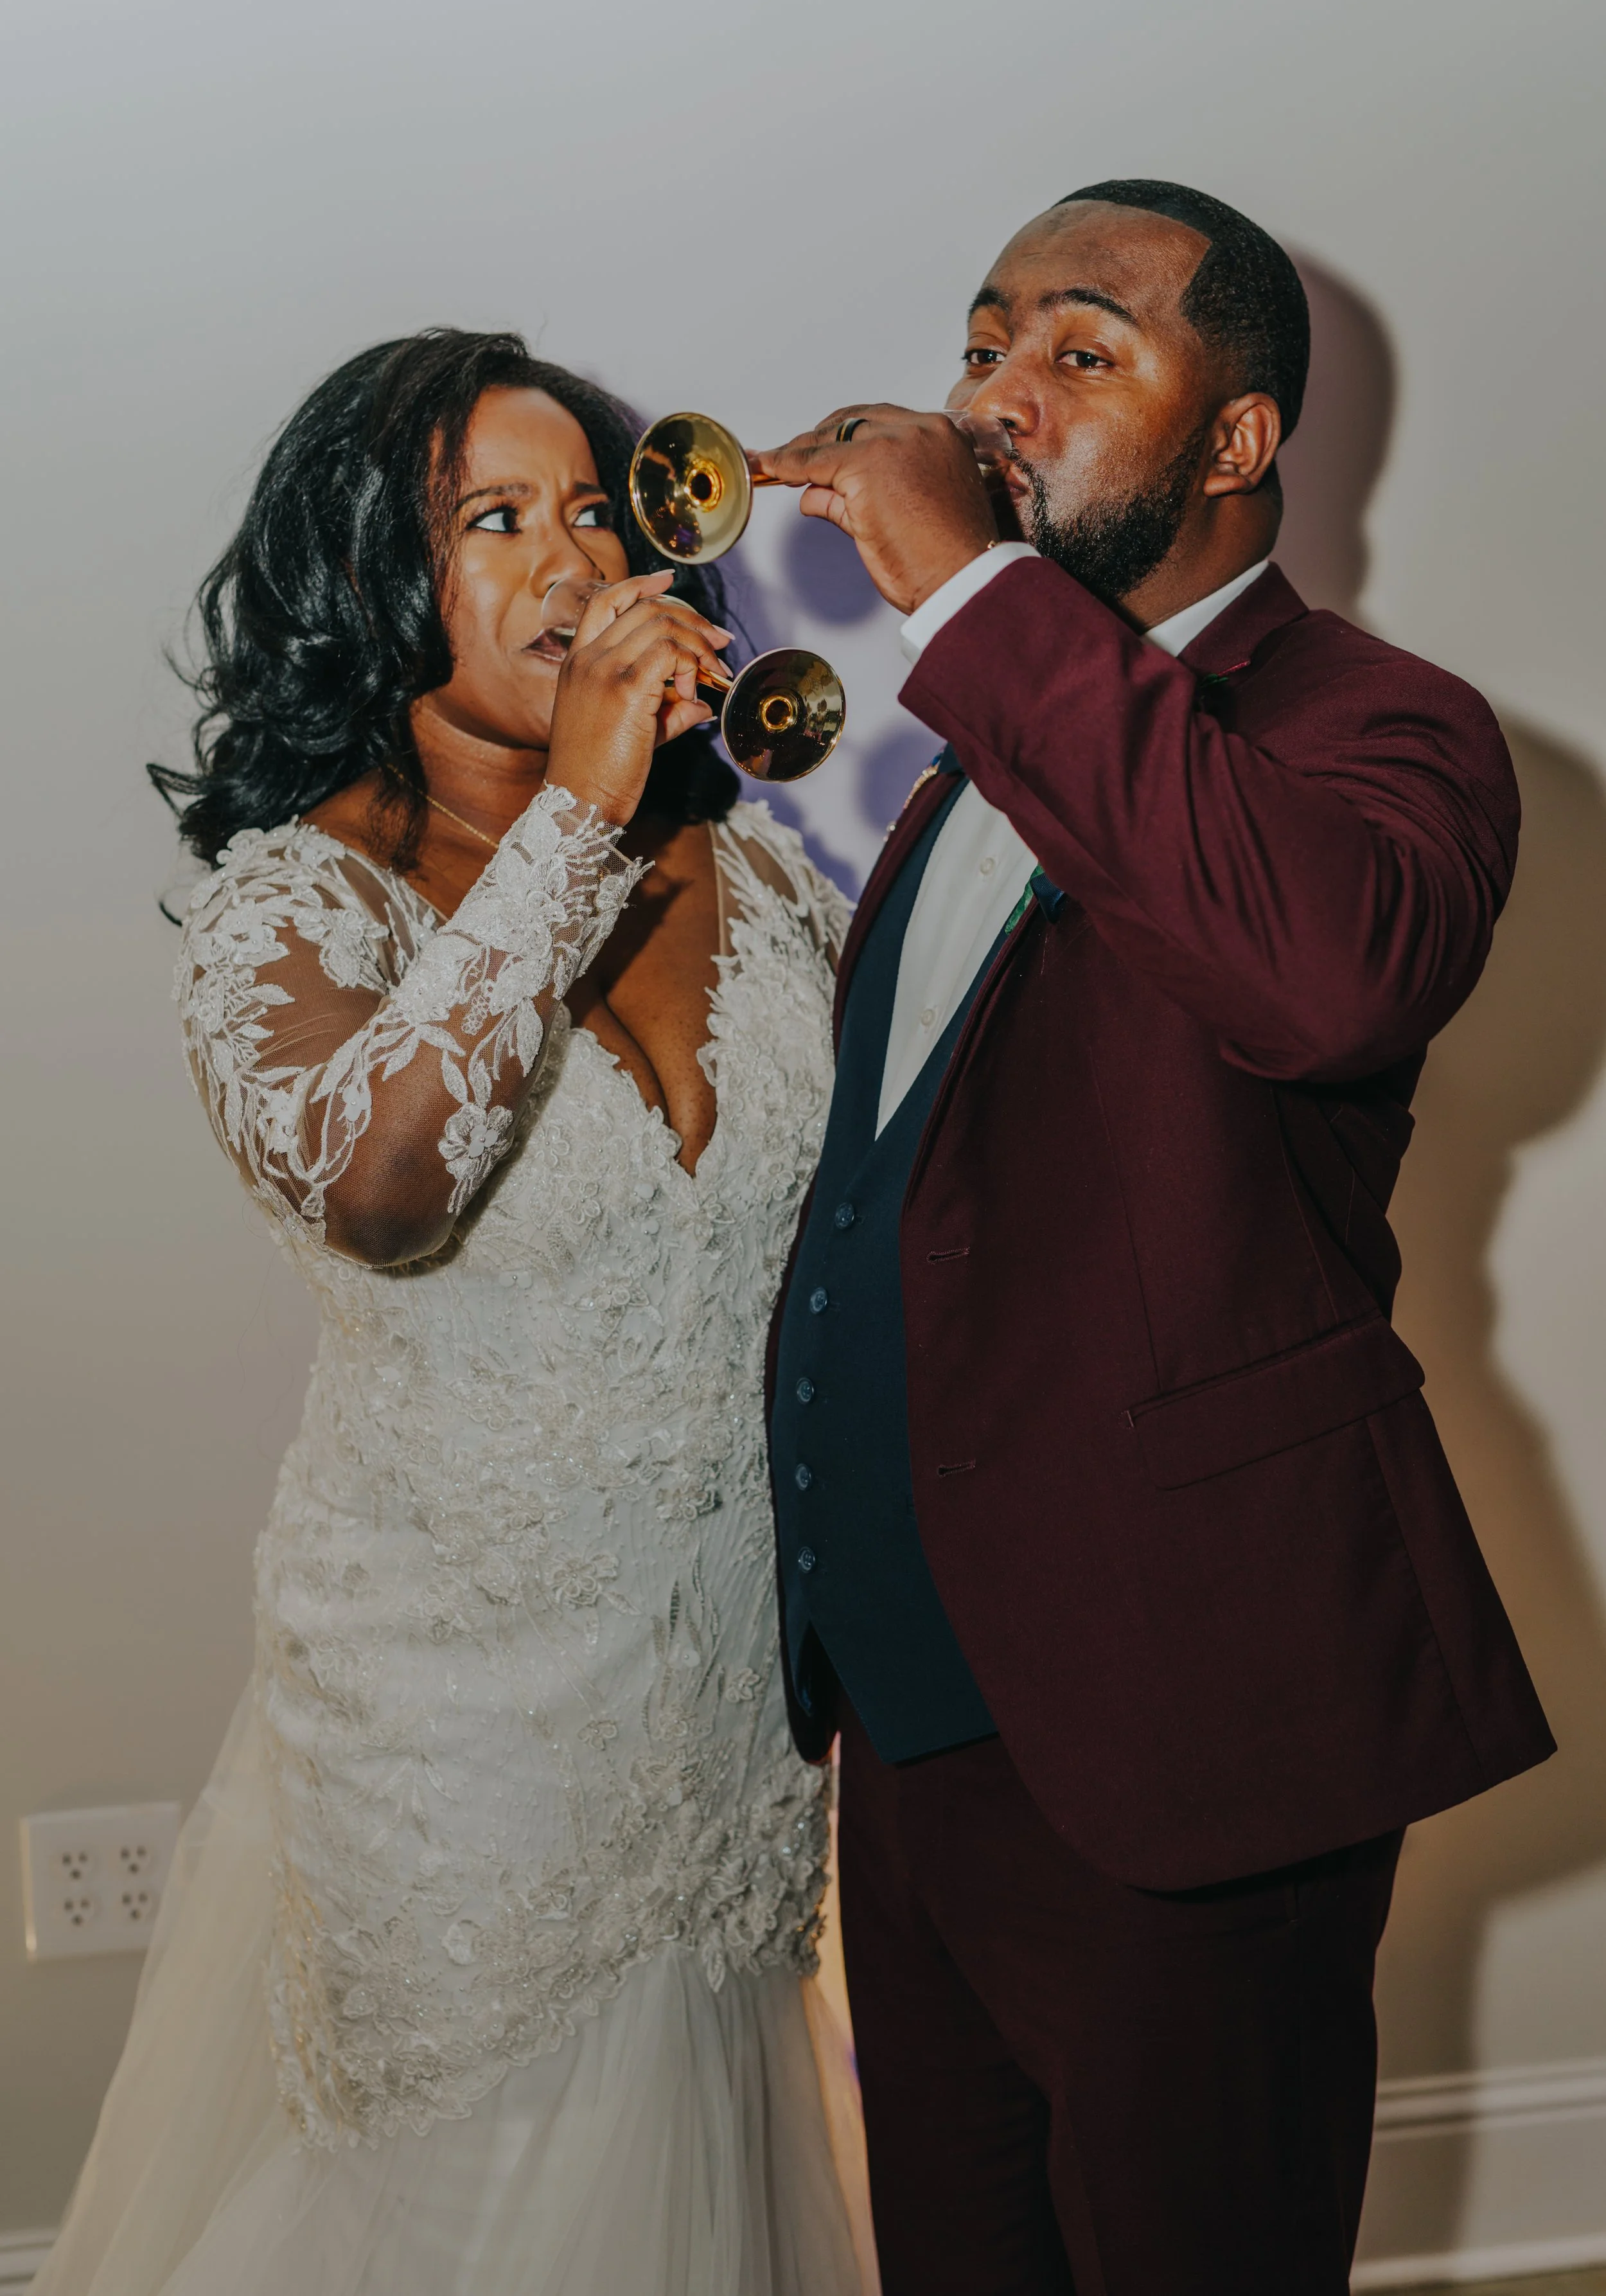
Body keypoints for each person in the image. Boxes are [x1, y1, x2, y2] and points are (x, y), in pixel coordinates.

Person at [754, 181, 1554, 2296]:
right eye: (983, 339)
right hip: (917, 1722)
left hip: (1186, 1725)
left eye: (1080, 352)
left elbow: (1312, 984)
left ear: (1236, 442)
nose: (998, 395)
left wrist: (960, 585)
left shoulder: (1384, 730)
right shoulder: (953, 773)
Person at [38, 330, 872, 2296]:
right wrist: (578, 810)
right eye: (490, 518)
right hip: (458, 1736)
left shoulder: (752, 869)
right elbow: (380, 1182)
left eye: (593, 505)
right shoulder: (293, 906)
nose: (566, 556)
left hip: (737, 1706)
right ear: (365, 580)